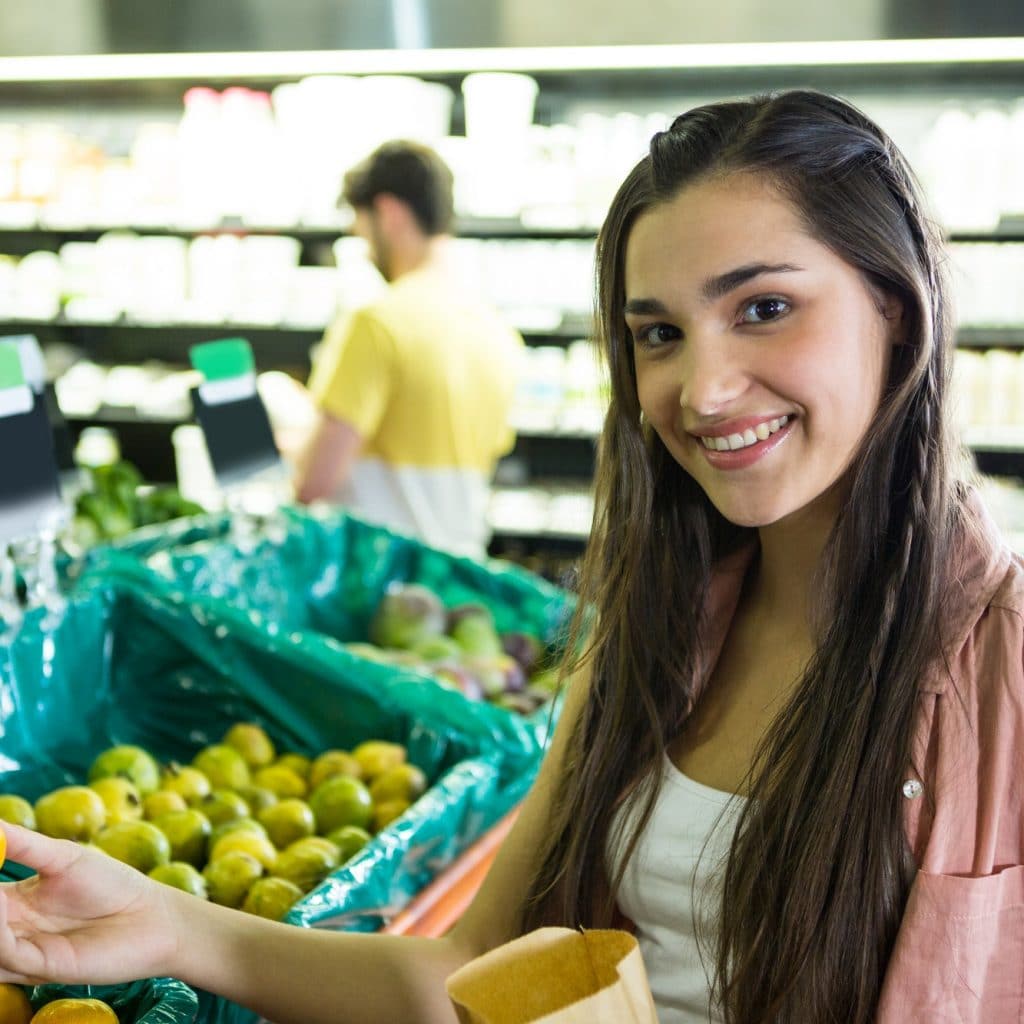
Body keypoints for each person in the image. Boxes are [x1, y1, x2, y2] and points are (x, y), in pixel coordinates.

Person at [0, 90, 1021, 1023]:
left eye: (762, 308)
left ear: (896, 306)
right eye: (658, 333)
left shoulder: (1000, 662)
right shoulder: (654, 634)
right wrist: (169, 923)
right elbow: (467, 969)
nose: (702, 389)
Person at [294, 139, 524, 559]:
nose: (358, 237)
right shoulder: (498, 333)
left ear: (390, 213)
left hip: (380, 587)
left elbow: (313, 484)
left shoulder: (376, 324)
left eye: (360, 221)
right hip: (456, 582)